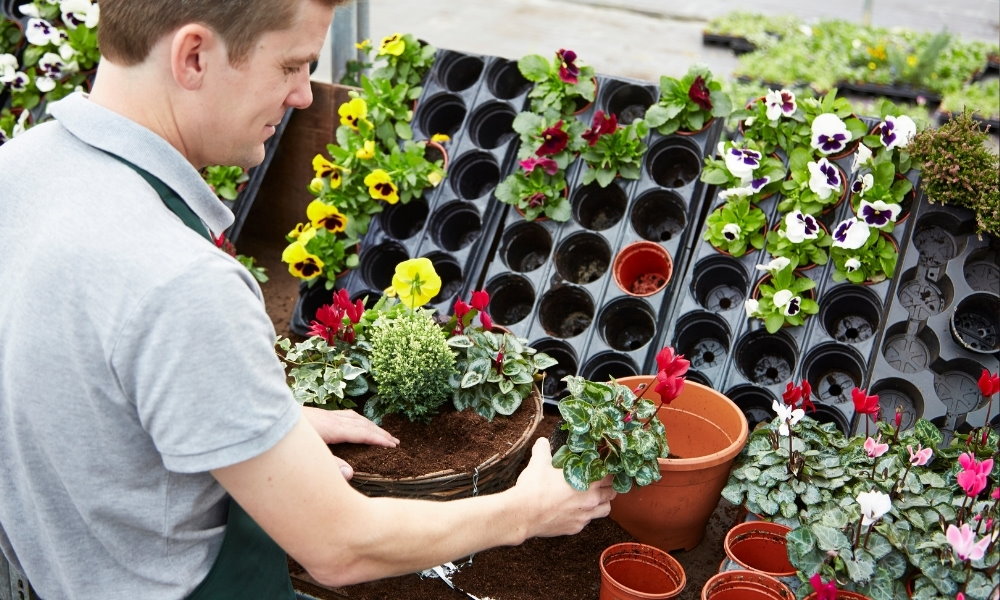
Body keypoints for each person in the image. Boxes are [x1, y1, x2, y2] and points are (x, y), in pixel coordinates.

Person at [0, 0, 617, 598]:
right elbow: (342, 548)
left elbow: (82, 398)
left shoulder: (21, 169)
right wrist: (528, 511)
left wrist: (243, 420)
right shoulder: (180, 283)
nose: (302, 95)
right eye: (292, 65)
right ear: (193, 56)